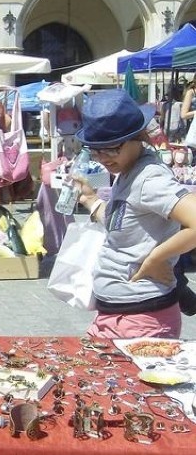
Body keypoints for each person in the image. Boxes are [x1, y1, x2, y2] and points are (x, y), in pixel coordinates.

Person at [75, 89, 196, 339]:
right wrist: (91, 200)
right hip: (115, 316)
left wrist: (156, 259)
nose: (102, 158)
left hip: (141, 319)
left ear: (136, 138)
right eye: (94, 150)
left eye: (110, 150)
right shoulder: (128, 170)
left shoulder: (149, 178)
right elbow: (122, 223)